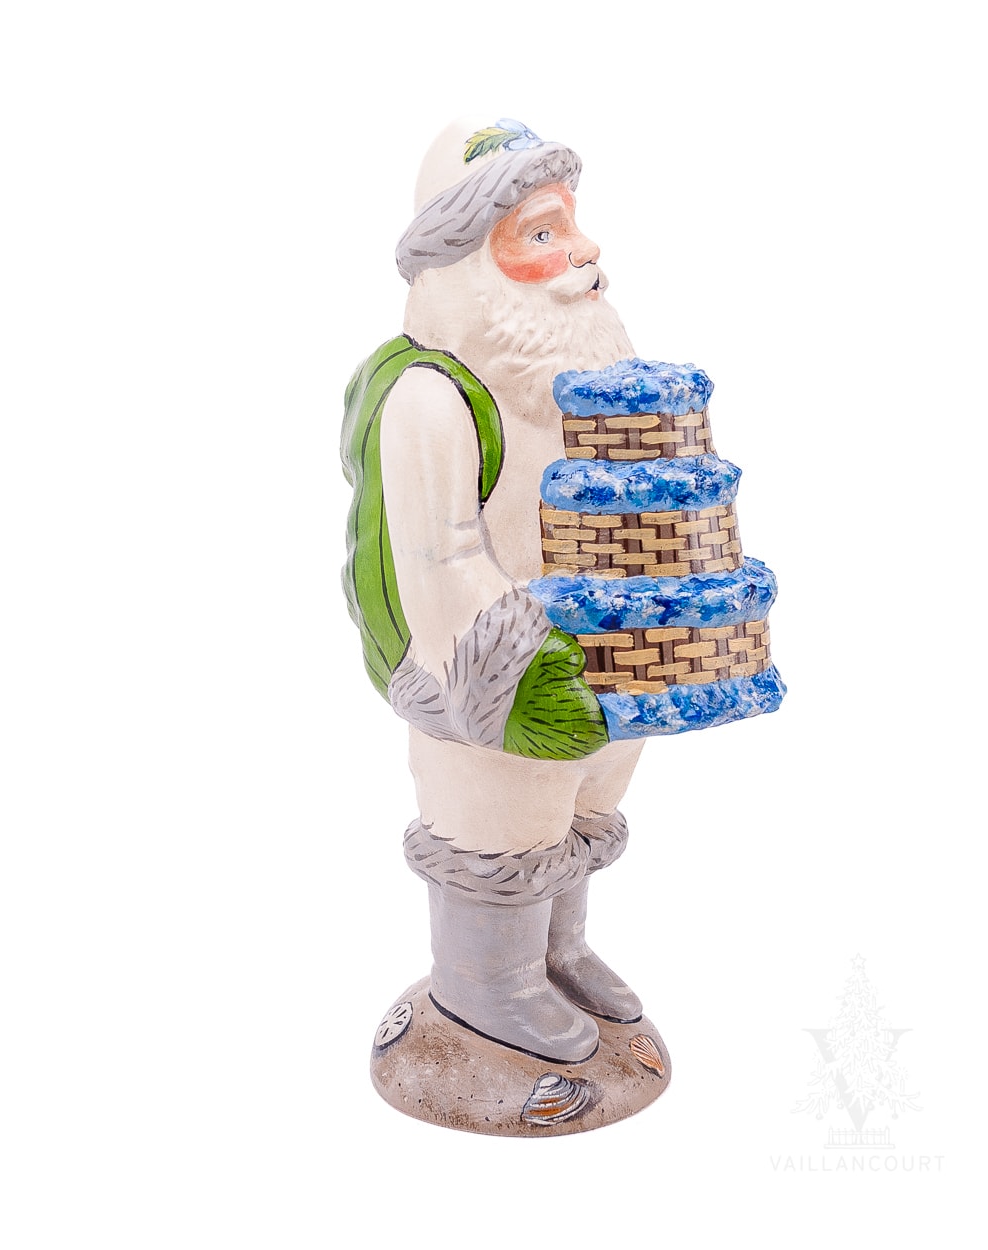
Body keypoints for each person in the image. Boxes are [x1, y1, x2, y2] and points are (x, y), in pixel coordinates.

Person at [342, 119, 644, 1063]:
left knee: (582, 798)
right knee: (500, 817)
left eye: (571, 226)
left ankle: (559, 950)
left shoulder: (567, 375)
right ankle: (486, 982)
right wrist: (522, 670)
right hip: (497, 670)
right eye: (542, 233)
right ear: (468, 257)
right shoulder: (430, 395)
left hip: (602, 648)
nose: (583, 251)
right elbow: (437, 560)